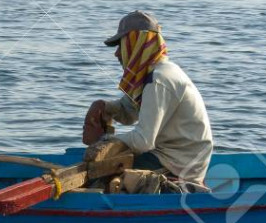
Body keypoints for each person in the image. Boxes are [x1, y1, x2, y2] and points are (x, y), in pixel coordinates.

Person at [83, 10, 213, 184]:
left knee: (100, 175)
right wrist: (104, 107)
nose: (116, 54)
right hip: (175, 157)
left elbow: (143, 141)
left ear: (136, 44)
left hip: (179, 164)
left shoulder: (158, 79)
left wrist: (102, 141)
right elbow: (130, 113)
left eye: (121, 46)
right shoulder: (155, 73)